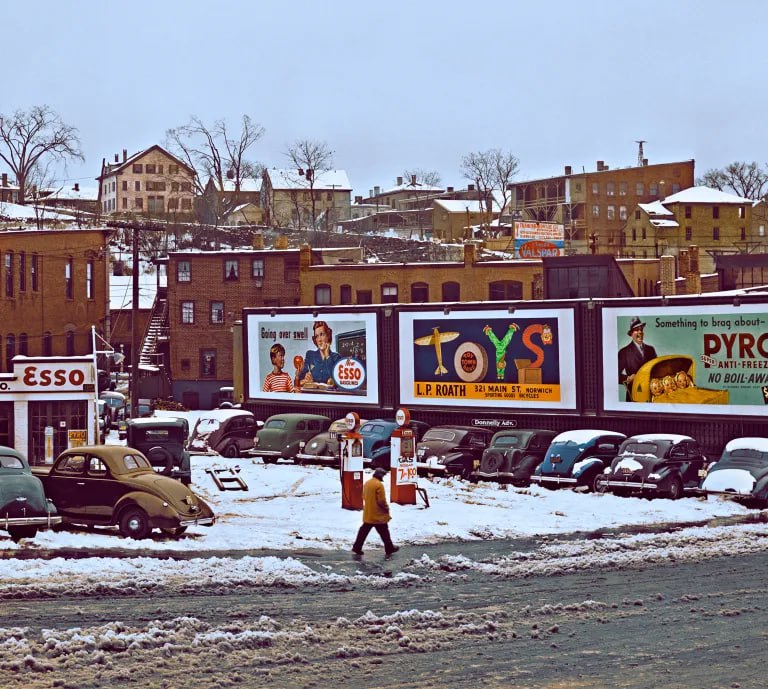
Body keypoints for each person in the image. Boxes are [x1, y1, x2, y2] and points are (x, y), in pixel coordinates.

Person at [352, 467, 399, 556]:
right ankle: (389, 548)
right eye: (383, 475)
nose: (383, 477)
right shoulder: (378, 485)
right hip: (378, 513)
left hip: (369, 512)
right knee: (384, 530)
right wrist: (386, 508)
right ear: (380, 475)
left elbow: (364, 496)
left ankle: (357, 547)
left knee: (364, 530)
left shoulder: (368, 483)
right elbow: (381, 500)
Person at [618, 316, 658, 401]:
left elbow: (656, 369)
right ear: (631, 334)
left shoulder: (651, 349)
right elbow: (615, 375)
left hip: (650, 395)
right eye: (636, 330)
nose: (640, 332)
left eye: (641, 330)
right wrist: (628, 378)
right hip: (634, 395)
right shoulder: (624, 352)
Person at [299, 320, 342, 388]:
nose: (319, 340)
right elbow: (299, 380)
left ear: (328, 336)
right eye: (316, 336)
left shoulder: (337, 357)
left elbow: (338, 380)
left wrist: (327, 355)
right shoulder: (310, 355)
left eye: (322, 334)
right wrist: (305, 379)